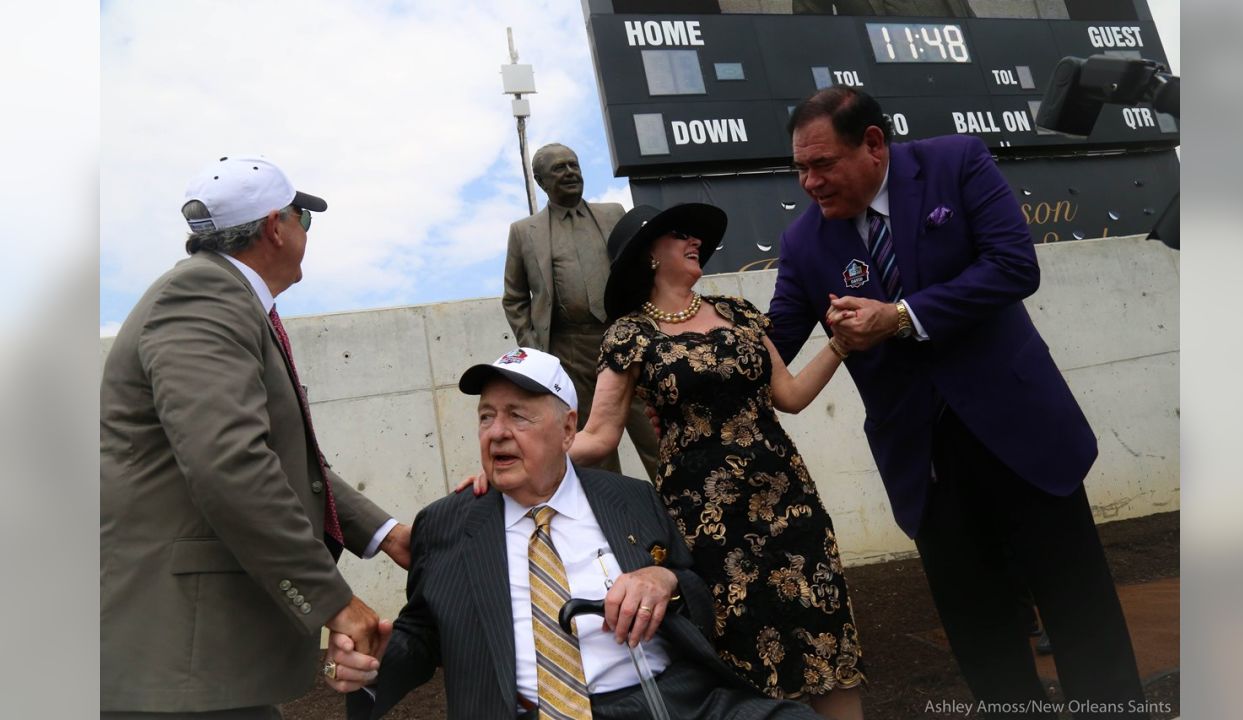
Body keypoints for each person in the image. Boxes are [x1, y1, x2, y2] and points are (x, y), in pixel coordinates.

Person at [769, 85, 1147, 717]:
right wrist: (683, 334)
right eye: (800, 168)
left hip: (1024, 436)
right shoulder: (804, 243)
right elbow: (774, 342)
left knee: (1081, 615)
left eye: (823, 164)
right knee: (983, 642)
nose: (810, 182)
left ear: (873, 144)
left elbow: (1012, 265)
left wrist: (899, 316)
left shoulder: (957, 163)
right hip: (925, 465)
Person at [474, 204, 867, 717]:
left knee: (823, 634)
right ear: (650, 254)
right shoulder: (629, 333)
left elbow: (789, 396)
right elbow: (598, 434)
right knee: (743, 649)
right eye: (680, 234)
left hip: (789, 503)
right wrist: (515, 463)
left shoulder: (739, 312)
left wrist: (840, 343)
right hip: (706, 519)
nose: (695, 241)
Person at [329, 348, 822, 720]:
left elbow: (695, 591)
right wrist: (371, 667)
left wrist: (663, 580)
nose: (496, 432)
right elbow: (421, 634)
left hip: (666, 703)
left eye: (518, 415)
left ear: (568, 429)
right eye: (486, 416)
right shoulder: (447, 522)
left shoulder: (630, 499)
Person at [100, 155, 410, 718]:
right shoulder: (201, 300)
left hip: (199, 659)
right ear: (275, 228)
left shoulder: (224, 299)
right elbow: (230, 463)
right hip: (179, 655)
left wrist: (386, 534)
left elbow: (279, 458)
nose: (305, 233)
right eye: (303, 219)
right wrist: (333, 602)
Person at [502, 142, 660, 479]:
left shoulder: (613, 214)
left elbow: (644, 269)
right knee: (592, 450)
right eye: (559, 168)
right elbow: (514, 298)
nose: (570, 172)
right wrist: (535, 350)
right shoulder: (523, 232)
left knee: (656, 436)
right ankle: (615, 524)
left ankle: (686, 514)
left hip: (627, 342)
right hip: (570, 350)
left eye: (573, 164)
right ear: (541, 181)